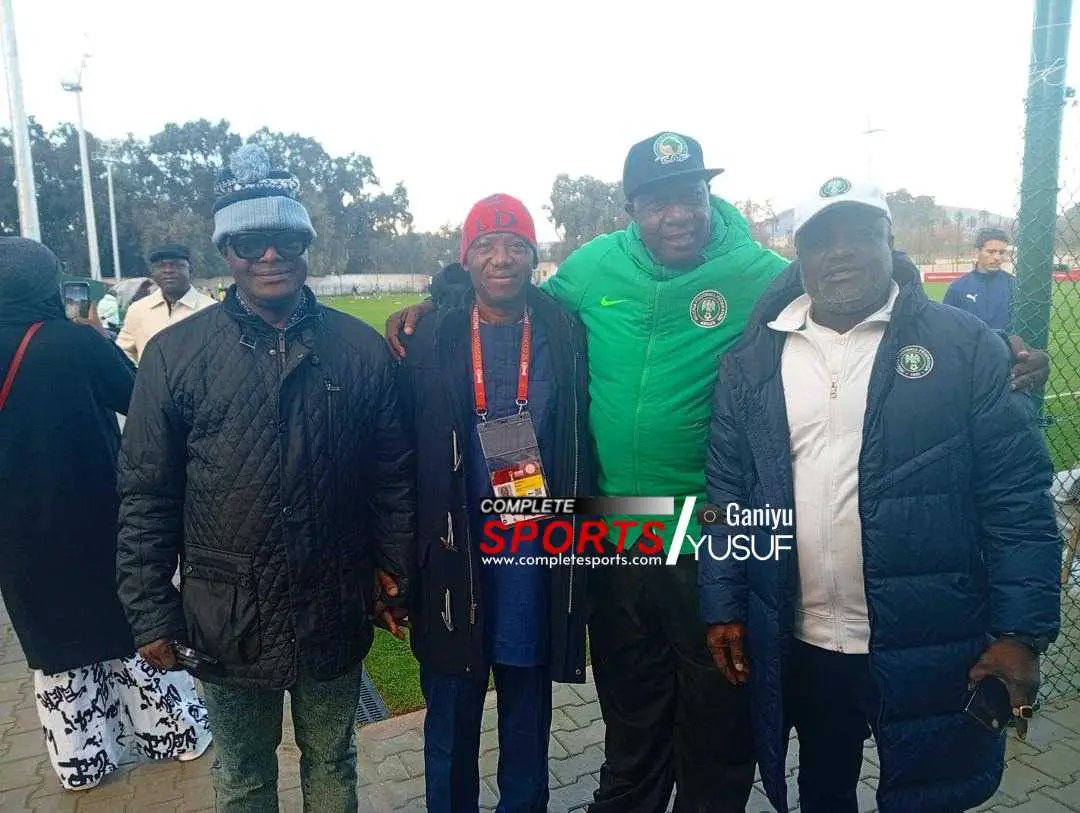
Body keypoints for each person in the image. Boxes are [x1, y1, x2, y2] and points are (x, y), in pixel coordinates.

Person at [385, 133, 1052, 813]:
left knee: (715, 714)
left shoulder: (758, 268)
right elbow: (514, 291)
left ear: (709, 195)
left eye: (689, 195)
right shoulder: (592, 268)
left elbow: (858, 277)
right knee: (632, 708)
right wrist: (438, 301)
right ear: (630, 211)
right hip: (613, 523)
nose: (677, 214)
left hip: (714, 522)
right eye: (657, 202)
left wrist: (996, 347)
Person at [700, 178, 1061, 813]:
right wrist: (724, 602)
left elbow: (1016, 503)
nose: (841, 253)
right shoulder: (754, 359)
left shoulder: (965, 345)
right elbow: (730, 491)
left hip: (930, 635)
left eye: (861, 234)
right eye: (822, 240)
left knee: (928, 793)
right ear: (799, 255)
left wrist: (1020, 634)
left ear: (890, 243)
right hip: (804, 636)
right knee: (824, 789)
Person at [115, 144, 416, 813]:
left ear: (304, 241)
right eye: (251, 240)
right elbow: (145, 496)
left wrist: (396, 572)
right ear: (228, 251)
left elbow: (392, 477)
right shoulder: (173, 356)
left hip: (333, 603)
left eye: (284, 237)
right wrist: (149, 610)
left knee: (333, 760)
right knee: (245, 773)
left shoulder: (358, 349)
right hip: (227, 617)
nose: (270, 255)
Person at [396, 194, 594, 812]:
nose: (501, 258)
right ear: (467, 259)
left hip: (536, 562)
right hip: (456, 561)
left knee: (529, 718)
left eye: (516, 246)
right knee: (450, 722)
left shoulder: (566, 330)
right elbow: (397, 451)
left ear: (535, 256)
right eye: (486, 246)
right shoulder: (430, 335)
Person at [0, 238, 211, 792]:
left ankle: (82, 762)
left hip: (16, 537)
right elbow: (141, 402)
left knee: (56, 646)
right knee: (131, 625)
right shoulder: (73, 344)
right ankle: (174, 736)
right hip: (98, 516)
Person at [115, 243, 215, 363]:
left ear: (190, 270)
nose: (168, 270)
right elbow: (123, 352)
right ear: (152, 273)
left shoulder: (211, 310)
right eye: (161, 266)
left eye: (176, 265)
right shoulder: (138, 310)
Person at [943, 227, 1017, 331]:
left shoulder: (1014, 285)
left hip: (1004, 346)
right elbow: (947, 325)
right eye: (991, 252)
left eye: (1001, 252)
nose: (997, 257)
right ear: (976, 252)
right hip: (970, 346)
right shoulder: (957, 288)